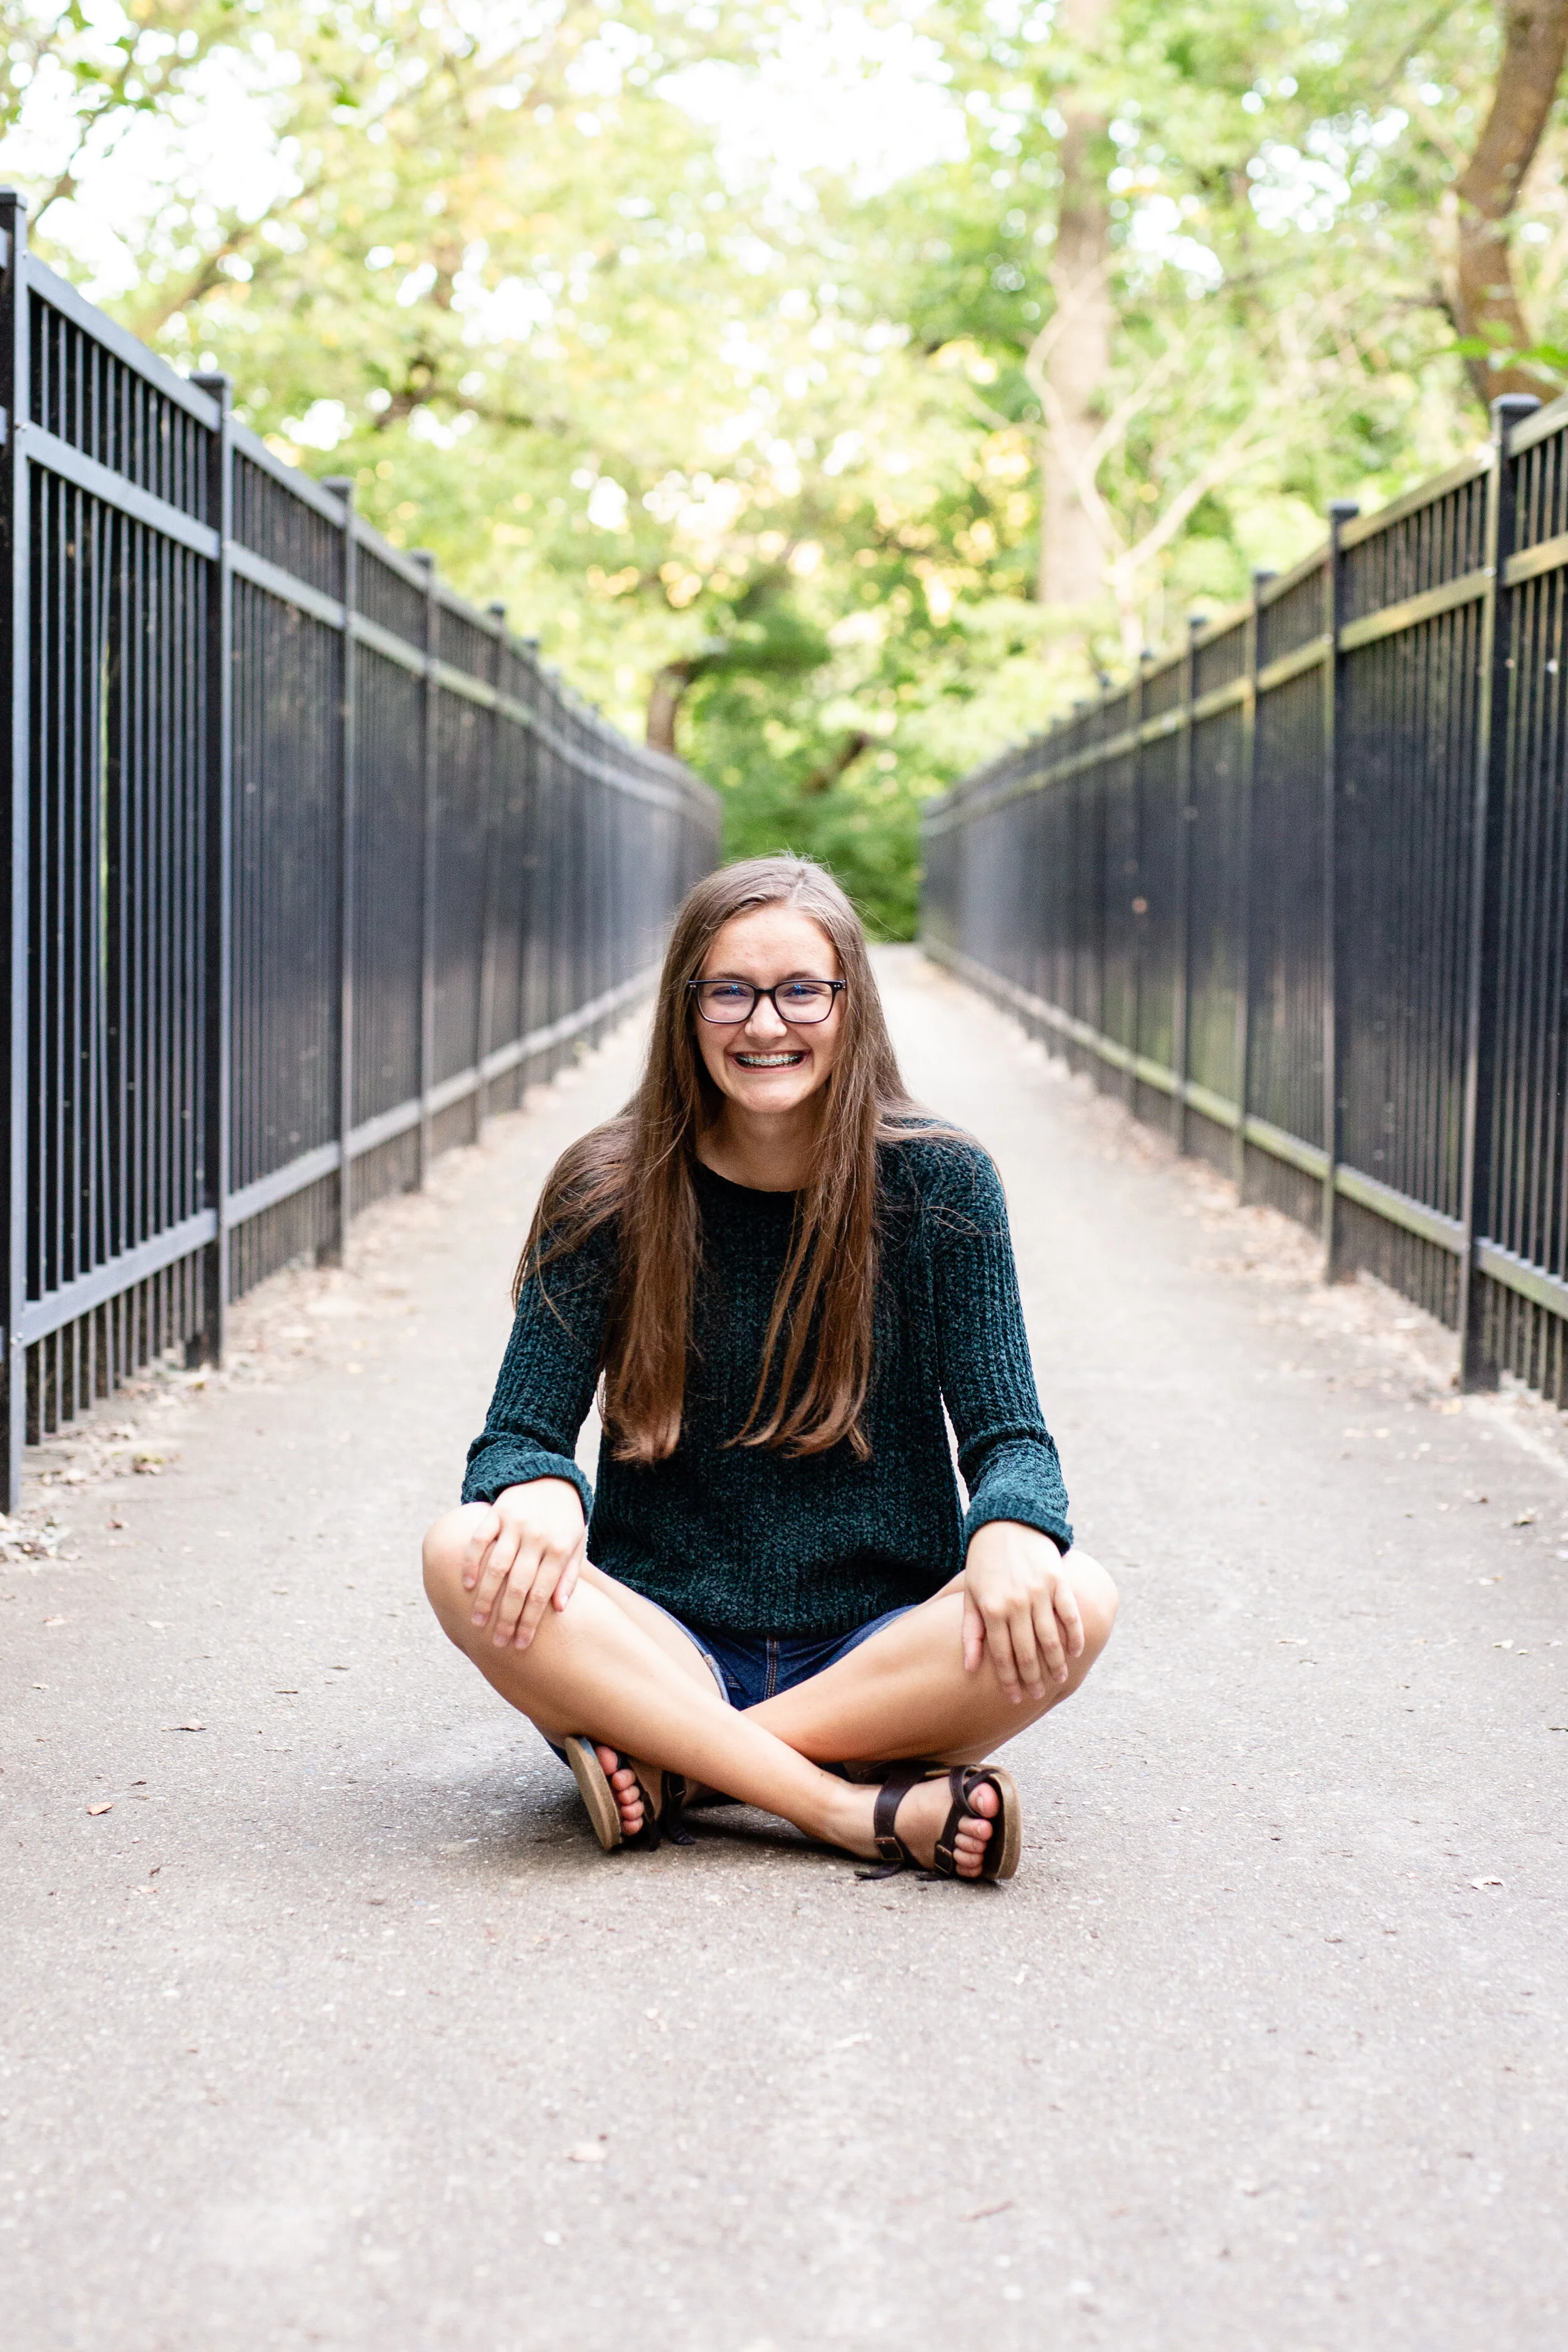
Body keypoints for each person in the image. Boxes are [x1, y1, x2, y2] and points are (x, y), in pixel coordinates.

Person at [422, 856, 1117, 1882]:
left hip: (877, 1652)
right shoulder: (606, 1187)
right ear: (685, 1007)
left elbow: (1012, 1439)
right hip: (661, 1642)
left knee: (1081, 1594)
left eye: (802, 990)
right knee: (458, 1549)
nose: (764, 1024)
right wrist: (538, 1490)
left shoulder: (941, 1183)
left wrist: (1013, 1524)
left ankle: (680, 1769)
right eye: (729, 991)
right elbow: (517, 1436)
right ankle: (845, 1804)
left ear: (851, 1004)